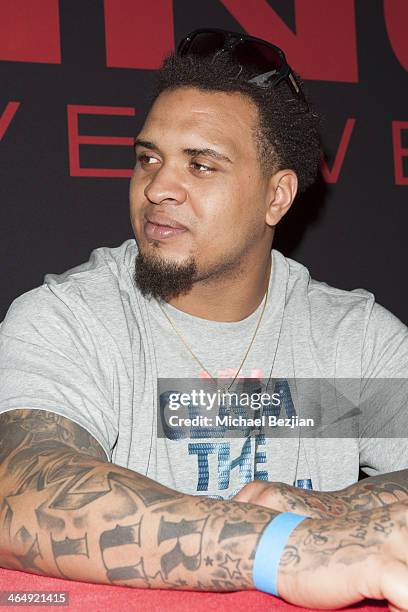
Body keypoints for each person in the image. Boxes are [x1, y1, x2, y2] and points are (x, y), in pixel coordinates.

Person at [1, 28, 408, 609]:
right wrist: (288, 546)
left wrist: (335, 510)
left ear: (277, 197)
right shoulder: (71, 320)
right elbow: (21, 488)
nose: (159, 187)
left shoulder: (350, 340)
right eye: (150, 159)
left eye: (201, 166)